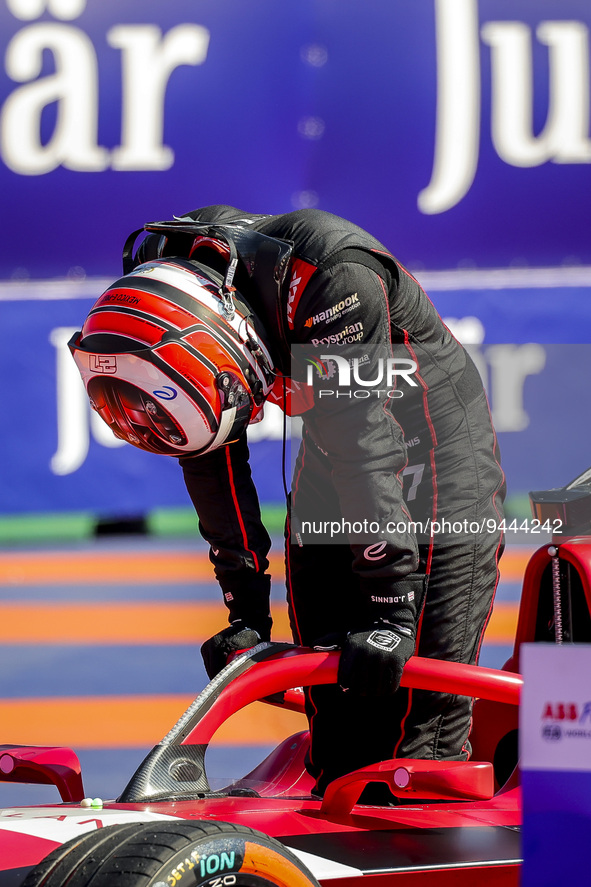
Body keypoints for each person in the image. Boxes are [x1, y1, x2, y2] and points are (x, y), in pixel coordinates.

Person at [69, 205, 505, 799]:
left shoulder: (334, 279)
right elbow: (211, 456)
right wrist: (244, 613)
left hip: (435, 461)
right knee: (338, 722)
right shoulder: (166, 286)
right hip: (336, 455)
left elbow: (366, 449)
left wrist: (392, 608)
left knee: (412, 735)